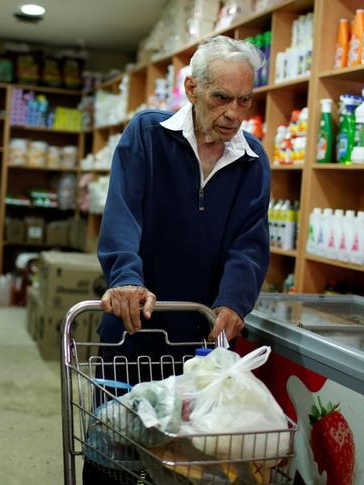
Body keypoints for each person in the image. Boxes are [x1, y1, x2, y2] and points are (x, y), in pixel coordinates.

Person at [84, 35, 271, 483]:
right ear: (191, 89)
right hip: (133, 328)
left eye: (244, 100)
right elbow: (122, 215)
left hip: (199, 346)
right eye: (221, 98)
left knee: (183, 467)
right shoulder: (147, 135)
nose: (233, 113)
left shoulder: (253, 160)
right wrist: (126, 278)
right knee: (112, 457)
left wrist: (233, 302)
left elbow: (249, 242)